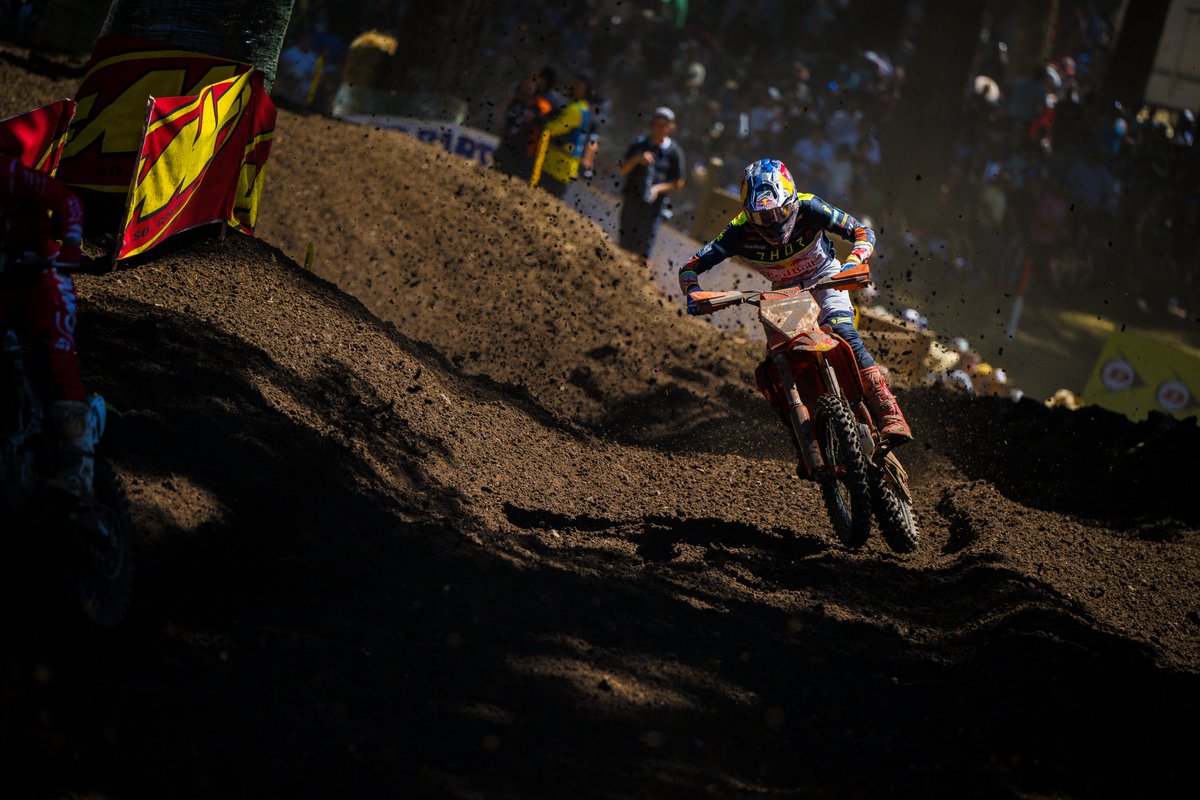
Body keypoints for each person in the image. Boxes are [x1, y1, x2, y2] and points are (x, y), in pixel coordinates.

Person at [680, 158, 912, 445]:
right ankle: (804, 437)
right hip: (785, 292)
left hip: (825, 278)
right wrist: (693, 291)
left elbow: (861, 231)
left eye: (780, 212)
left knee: (843, 331)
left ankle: (889, 411)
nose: (774, 223)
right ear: (748, 214)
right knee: (779, 361)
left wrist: (854, 261)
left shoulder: (810, 206)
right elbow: (690, 266)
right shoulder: (737, 230)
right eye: (763, 218)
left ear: (791, 199)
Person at [1, 151, 95, 501]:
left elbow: (67, 199)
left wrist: (70, 243)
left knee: (57, 359)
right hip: (6, 282)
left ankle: (79, 471)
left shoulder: (9, 173)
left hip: (43, 275)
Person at [617, 106, 685, 268]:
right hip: (633, 199)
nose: (660, 128)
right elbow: (623, 169)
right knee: (625, 243)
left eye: (664, 125)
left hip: (654, 206)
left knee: (644, 248)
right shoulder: (639, 144)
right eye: (657, 124)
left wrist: (657, 189)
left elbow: (678, 182)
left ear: (670, 128)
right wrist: (636, 160)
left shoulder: (674, 152)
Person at [533, 68, 595, 198]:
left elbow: (551, 129)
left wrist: (544, 116)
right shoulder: (584, 109)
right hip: (564, 168)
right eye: (575, 83)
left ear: (586, 91)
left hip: (556, 168)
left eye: (579, 86)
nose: (574, 87)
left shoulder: (575, 110)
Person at [493, 66, 558, 181]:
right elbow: (506, 117)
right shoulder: (517, 99)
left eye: (534, 81)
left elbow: (547, 123)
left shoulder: (544, 105)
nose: (529, 84)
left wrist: (536, 117)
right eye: (527, 80)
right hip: (506, 148)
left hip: (524, 154)